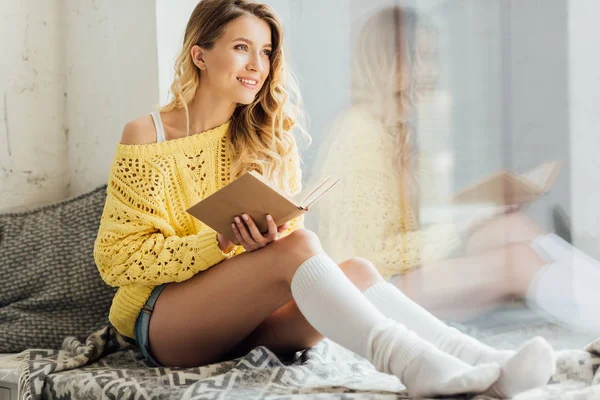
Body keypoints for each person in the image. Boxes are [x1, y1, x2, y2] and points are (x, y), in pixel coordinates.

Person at [93, 1, 556, 397]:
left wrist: (265, 236)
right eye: (241, 48)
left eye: (266, 52)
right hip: (165, 324)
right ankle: (412, 366)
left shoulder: (268, 135)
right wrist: (218, 243)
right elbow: (116, 260)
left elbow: (286, 250)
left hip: (247, 320)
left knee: (355, 270)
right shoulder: (148, 135)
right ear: (200, 54)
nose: (257, 64)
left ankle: (483, 364)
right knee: (298, 250)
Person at [315, 5, 600, 334]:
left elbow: (410, 227)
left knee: (512, 227)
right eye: (419, 58)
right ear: (385, 62)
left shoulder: (397, 129)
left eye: (433, 57)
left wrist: (480, 212)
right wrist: (467, 222)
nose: (431, 71)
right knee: (517, 262)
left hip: (398, 276)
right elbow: (370, 255)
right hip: (367, 292)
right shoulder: (362, 133)